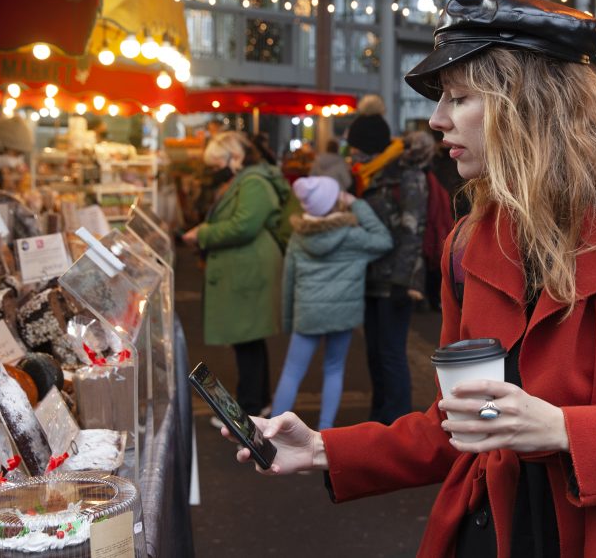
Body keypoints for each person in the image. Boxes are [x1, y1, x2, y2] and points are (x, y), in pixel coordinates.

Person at [220, 0, 596, 557]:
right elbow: (458, 423)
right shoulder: (467, 244)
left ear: (530, 105)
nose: (436, 119)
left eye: (458, 98)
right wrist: (321, 449)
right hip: (485, 531)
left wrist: (564, 430)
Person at [183, 131, 291, 421]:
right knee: (250, 339)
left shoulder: (254, 182)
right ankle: (258, 403)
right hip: (248, 267)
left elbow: (244, 225)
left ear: (236, 156)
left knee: (246, 339)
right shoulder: (250, 179)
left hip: (250, 270)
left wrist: (203, 233)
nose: (215, 169)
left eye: (218, 163)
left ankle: (249, 409)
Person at [270, 176, 392, 429]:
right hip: (342, 315)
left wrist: (288, 319)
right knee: (334, 369)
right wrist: (357, 204)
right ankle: (324, 431)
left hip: (308, 313)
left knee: (292, 372)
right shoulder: (353, 235)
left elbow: (288, 281)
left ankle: (272, 431)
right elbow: (384, 239)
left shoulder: (298, 237)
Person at [346, 106, 431, 424]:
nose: (352, 151)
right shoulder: (369, 174)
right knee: (374, 354)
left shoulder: (406, 173)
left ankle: (396, 424)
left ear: (369, 145)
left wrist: (403, 280)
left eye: (356, 145)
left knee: (392, 353)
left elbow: (414, 229)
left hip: (396, 279)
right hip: (369, 276)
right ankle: (379, 418)